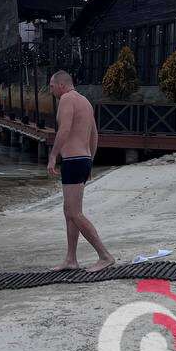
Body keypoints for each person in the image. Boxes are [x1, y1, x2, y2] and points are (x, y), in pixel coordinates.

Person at [46, 71, 116, 272]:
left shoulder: (67, 99)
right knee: (69, 211)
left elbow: (64, 129)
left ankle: (104, 255)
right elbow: (94, 135)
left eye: (51, 86)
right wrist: (90, 161)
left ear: (61, 84)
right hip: (83, 160)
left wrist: (53, 156)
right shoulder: (85, 101)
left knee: (74, 212)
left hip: (74, 160)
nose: (50, 90)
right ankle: (71, 259)